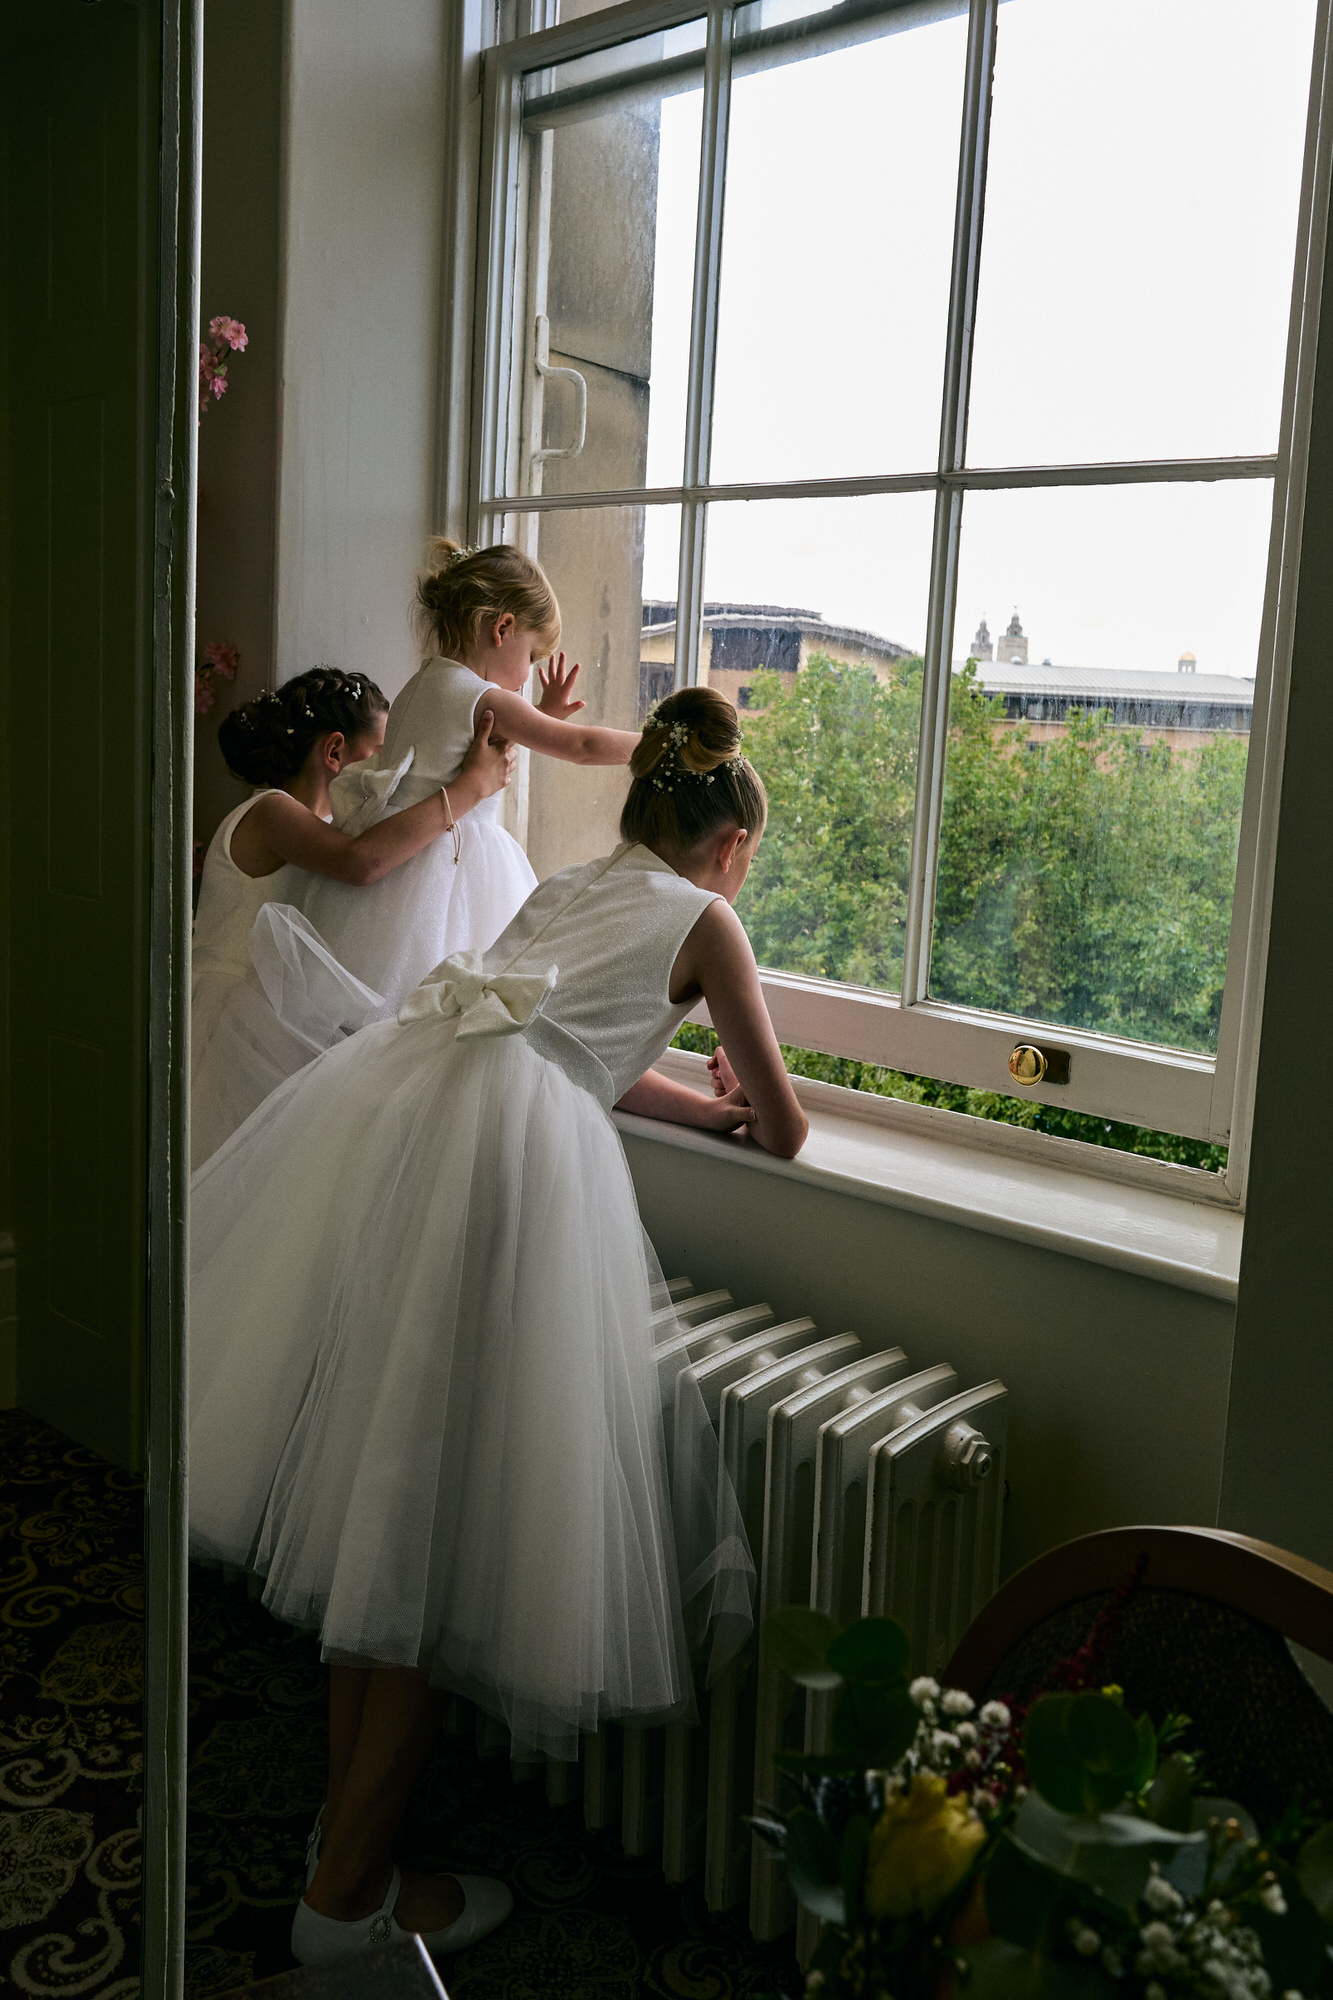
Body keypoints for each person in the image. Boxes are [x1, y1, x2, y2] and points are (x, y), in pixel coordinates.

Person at [188, 684, 807, 1966]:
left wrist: (688, 1102)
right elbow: (785, 1123)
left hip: (410, 1124)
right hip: (506, 1183)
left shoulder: (576, 882)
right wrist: (736, 1091)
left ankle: (340, 1848)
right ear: (732, 845)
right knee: (430, 1537)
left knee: (384, 1511)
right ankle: (346, 1897)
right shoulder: (707, 917)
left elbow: (562, 1032)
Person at [191, 668, 515, 1169]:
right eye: (384, 753)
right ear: (335, 751)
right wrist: (470, 787)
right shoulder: (271, 812)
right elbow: (362, 863)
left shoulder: (331, 826)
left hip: (281, 1016)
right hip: (238, 1028)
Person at [298, 539, 641, 1010]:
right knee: (464, 1006)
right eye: (533, 655)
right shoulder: (487, 698)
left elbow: (459, 755)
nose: (526, 674)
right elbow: (582, 748)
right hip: (451, 873)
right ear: (503, 628)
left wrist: (540, 713)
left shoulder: (419, 685)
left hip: (395, 878)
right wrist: (659, 746)